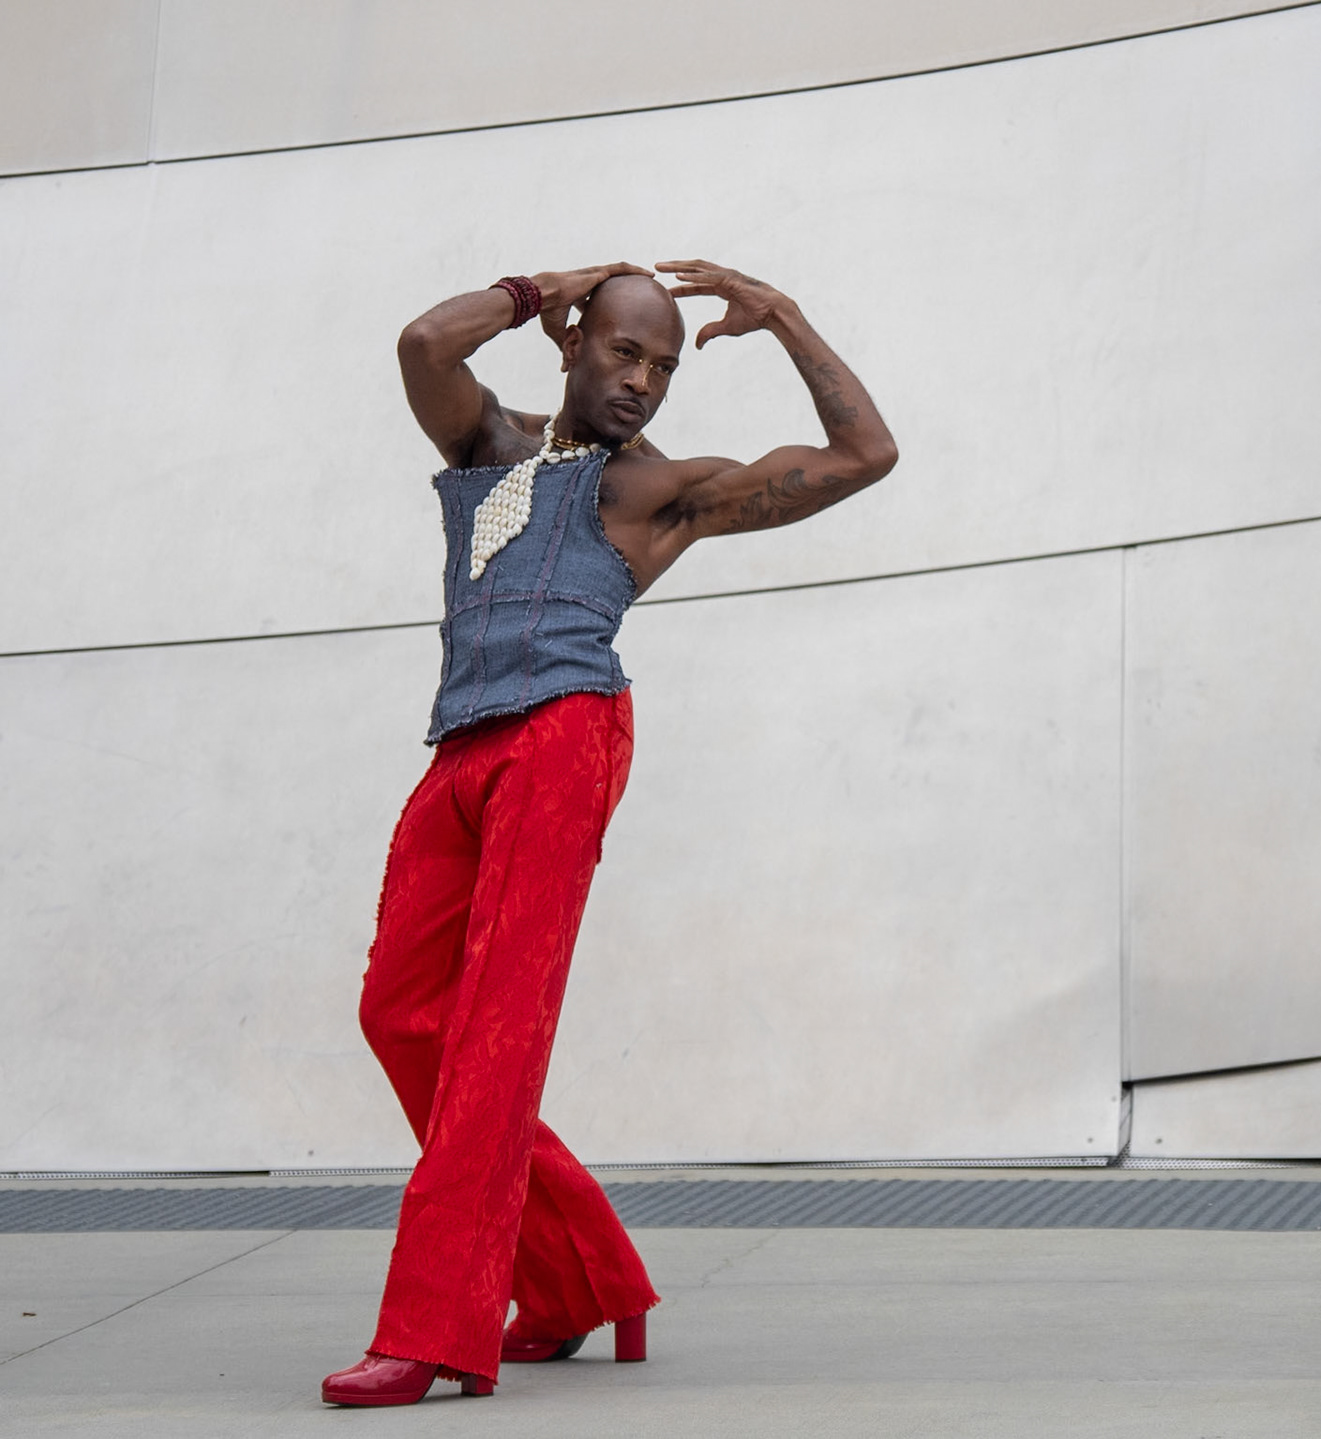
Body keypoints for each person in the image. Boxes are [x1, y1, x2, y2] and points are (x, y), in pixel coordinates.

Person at [321, 259, 898, 1406]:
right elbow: (424, 344)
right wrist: (542, 285)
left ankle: (437, 1328)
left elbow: (861, 456)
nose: (644, 381)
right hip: (462, 747)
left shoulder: (662, 491)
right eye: (627, 350)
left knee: (493, 1035)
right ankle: (587, 1274)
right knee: (400, 1011)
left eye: (666, 367)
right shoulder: (486, 442)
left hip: (566, 740)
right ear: (577, 341)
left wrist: (781, 315)